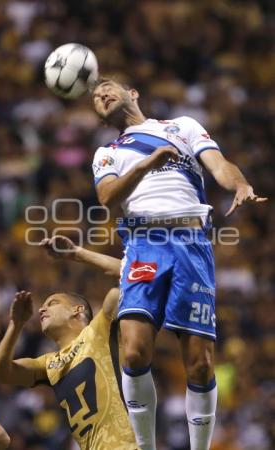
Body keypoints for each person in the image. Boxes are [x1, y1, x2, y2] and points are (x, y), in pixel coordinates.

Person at [91, 79, 268, 450]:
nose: (101, 95)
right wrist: (146, 164)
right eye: (95, 96)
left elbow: (219, 165)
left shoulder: (182, 127)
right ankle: (145, 446)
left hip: (192, 244)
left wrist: (238, 184)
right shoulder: (107, 153)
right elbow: (107, 197)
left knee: (201, 364)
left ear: (133, 92)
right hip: (144, 244)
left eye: (107, 87)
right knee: (135, 351)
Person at [0, 235, 140, 450]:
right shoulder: (49, 364)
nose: (42, 309)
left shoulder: (101, 328)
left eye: (52, 303)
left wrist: (78, 254)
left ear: (77, 311)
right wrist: (16, 325)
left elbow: (132, 273)